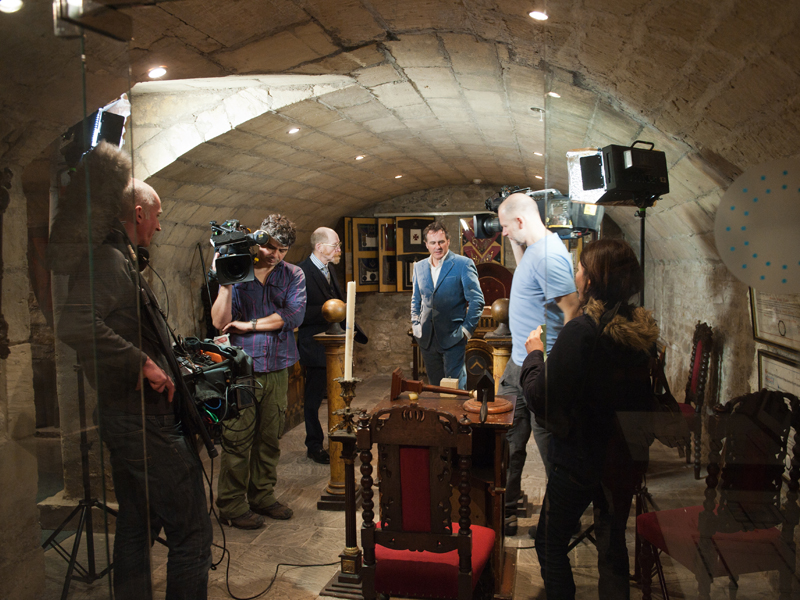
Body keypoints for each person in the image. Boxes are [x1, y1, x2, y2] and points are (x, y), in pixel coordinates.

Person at [56, 143, 212, 600]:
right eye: (157, 215)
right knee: (193, 533)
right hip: (142, 420)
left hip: (131, 416)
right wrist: (143, 362)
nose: (161, 226)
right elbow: (75, 323)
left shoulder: (118, 257)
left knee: (137, 524)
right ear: (139, 212)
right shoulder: (107, 260)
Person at [521, 238, 658, 600]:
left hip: (582, 460)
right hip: (623, 458)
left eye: (581, 268)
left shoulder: (582, 331)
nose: (576, 274)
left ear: (592, 280)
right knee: (613, 550)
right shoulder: (640, 332)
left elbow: (541, 397)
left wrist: (534, 356)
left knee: (550, 544)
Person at [211, 214, 306, 529]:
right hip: (242, 369)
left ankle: (262, 497)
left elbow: (292, 316)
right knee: (237, 438)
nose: (276, 256)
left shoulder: (293, 275)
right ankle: (232, 505)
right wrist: (225, 283)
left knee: (269, 438)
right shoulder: (238, 271)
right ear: (259, 241)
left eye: (283, 251)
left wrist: (247, 324)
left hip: (278, 367)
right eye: (273, 248)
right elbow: (218, 321)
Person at [496, 192, 580, 536]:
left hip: (542, 368)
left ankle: (563, 519)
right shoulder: (535, 251)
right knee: (510, 439)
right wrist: (516, 243)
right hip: (520, 363)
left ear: (520, 221)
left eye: (505, 226)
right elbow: (528, 275)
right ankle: (508, 506)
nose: (503, 232)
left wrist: (556, 369)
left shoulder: (548, 256)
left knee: (550, 446)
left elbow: (572, 308)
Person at [297, 227, 367, 464]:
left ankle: (342, 441)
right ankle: (314, 445)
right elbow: (299, 313)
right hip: (315, 346)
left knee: (340, 395)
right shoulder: (302, 272)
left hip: (336, 345)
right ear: (319, 247)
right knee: (314, 399)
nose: (338, 250)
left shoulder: (329, 269)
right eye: (335, 245)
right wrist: (331, 309)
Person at [410, 221, 484, 389]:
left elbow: (477, 300)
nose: (438, 247)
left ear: (448, 241)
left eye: (441, 242)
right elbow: (416, 299)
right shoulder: (419, 267)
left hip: (454, 337)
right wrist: (416, 325)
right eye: (433, 243)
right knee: (434, 388)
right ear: (426, 245)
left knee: (455, 388)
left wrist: (466, 330)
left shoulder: (463, 264)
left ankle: (456, 416)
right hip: (427, 339)